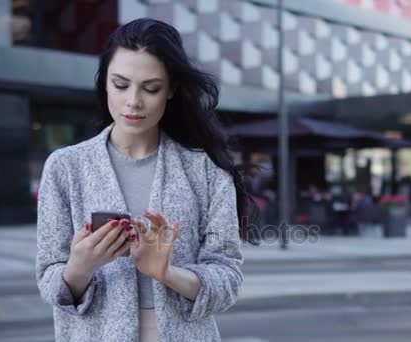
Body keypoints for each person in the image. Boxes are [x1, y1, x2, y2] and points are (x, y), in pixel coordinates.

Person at [36, 18, 256, 342]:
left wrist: (166, 272)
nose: (133, 101)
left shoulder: (206, 171)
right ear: (105, 83)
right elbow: (49, 281)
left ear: (170, 90)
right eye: (121, 84)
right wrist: (80, 267)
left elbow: (227, 279)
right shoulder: (66, 168)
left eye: (151, 88)